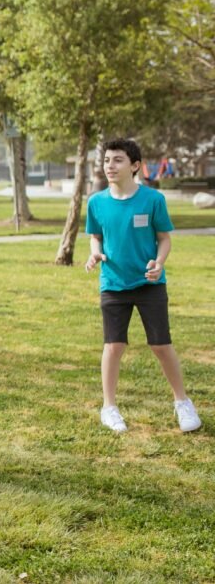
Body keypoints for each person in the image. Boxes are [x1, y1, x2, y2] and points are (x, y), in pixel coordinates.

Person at [85, 138, 201, 434]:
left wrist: (159, 262)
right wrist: (94, 252)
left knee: (161, 345)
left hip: (149, 283)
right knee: (114, 345)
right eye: (107, 160)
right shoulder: (96, 202)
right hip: (113, 283)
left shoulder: (152, 200)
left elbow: (164, 238)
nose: (110, 165)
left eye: (118, 160)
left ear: (135, 166)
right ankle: (109, 408)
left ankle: (183, 403)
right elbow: (95, 235)